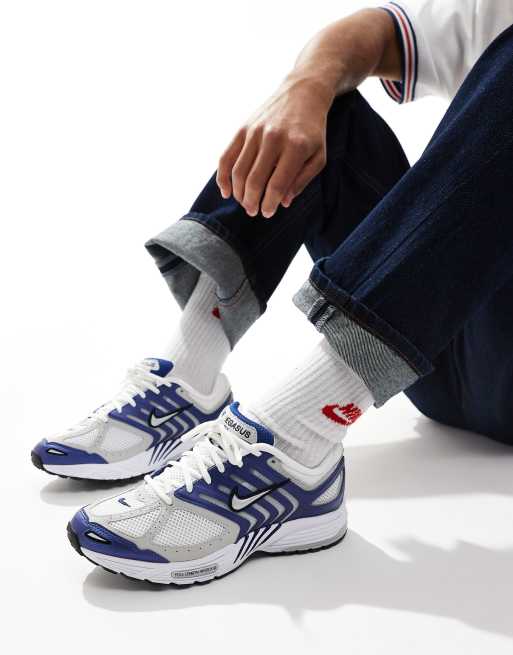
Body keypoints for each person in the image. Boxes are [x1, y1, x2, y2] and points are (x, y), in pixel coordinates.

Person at [35, 1, 513, 584]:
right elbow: (374, 32)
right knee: (328, 106)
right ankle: (191, 375)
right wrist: (304, 87)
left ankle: (294, 444)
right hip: (440, 347)